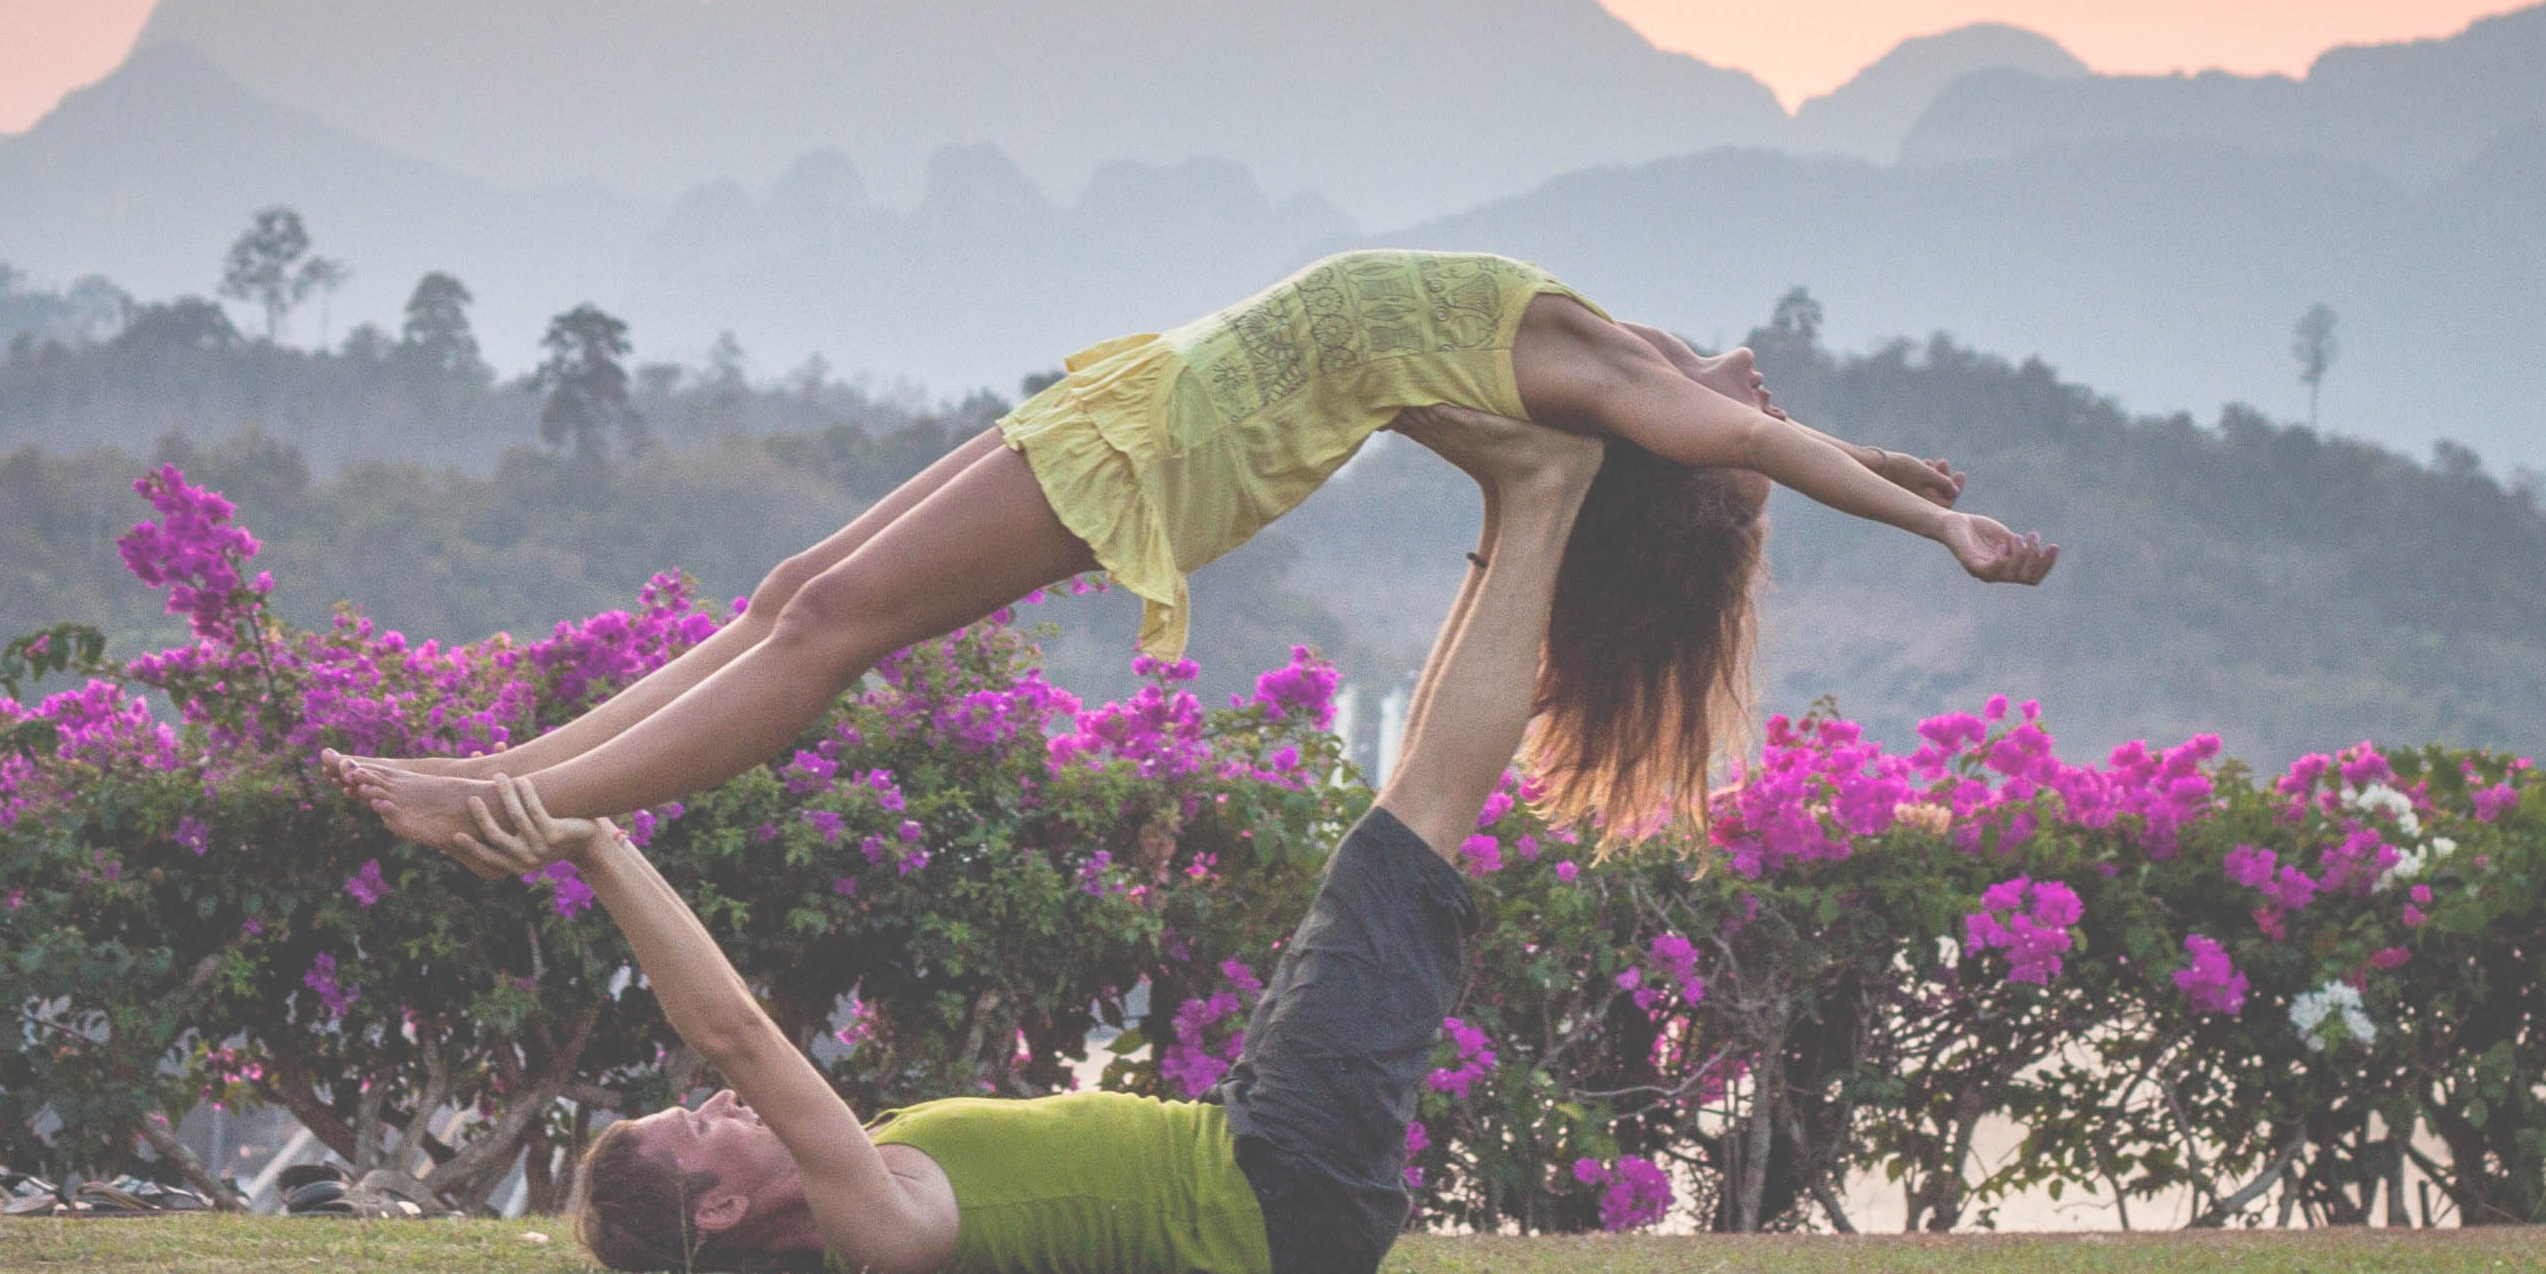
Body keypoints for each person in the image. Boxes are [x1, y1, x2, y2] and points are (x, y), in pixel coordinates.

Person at [452, 409, 1649, 1274]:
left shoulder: (871, 1185)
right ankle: (1542, 495)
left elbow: (733, 1053)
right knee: (1409, 838)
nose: (720, 1098)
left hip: (1260, 1145)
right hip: (1288, 1183)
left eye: (702, 1104)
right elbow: (735, 1031)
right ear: (715, 1213)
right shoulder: (874, 1227)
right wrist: (597, 839)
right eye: (700, 1126)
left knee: (1392, 838)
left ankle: (1521, 503)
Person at [342, 249, 2055, 851]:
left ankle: (523, 810)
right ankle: (502, 765)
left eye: (1750, 430)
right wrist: (1891, 461)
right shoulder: (1634, 357)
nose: (1765, 388)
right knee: (800, 588)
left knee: (836, 626)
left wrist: (1938, 525)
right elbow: (1768, 428)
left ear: (1673, 449)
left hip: (1187, 446)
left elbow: (1753, 440)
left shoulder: (1643, 394)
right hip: (1160, 389)